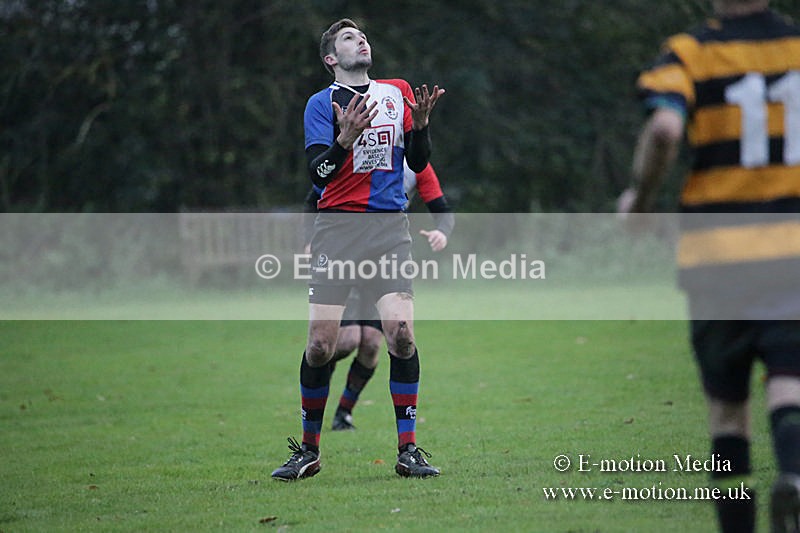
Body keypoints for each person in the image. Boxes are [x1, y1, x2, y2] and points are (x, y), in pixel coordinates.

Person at [618, 1, 800, 531]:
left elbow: (665, 132)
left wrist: (641, 201)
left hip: (718, 257)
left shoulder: (691, 51)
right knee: (789, 377)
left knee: (727, 407)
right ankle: (792, 472)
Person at [271, 18, 445, 481]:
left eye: (363, 35)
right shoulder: (319, 103)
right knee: (321, 346)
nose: (361, 39)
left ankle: (408, 451)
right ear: (331, 58)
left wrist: (422, 126)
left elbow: (418, 162)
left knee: (401, 334)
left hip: (388, 230)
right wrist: (344, 140)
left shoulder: (396, 93)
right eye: (349, 38)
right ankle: (308, 450)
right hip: (337, 232)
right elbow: (319, 174)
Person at [302, 161, 455, 431]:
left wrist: (442, 232)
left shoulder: (416, 166)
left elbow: (442, 209)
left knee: (373, 343)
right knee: (343, 342)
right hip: (344, 253)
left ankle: (343, 413)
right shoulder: (362, 151)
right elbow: (314, 198)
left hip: (383, 255)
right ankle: (318, 383)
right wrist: (309, 239)